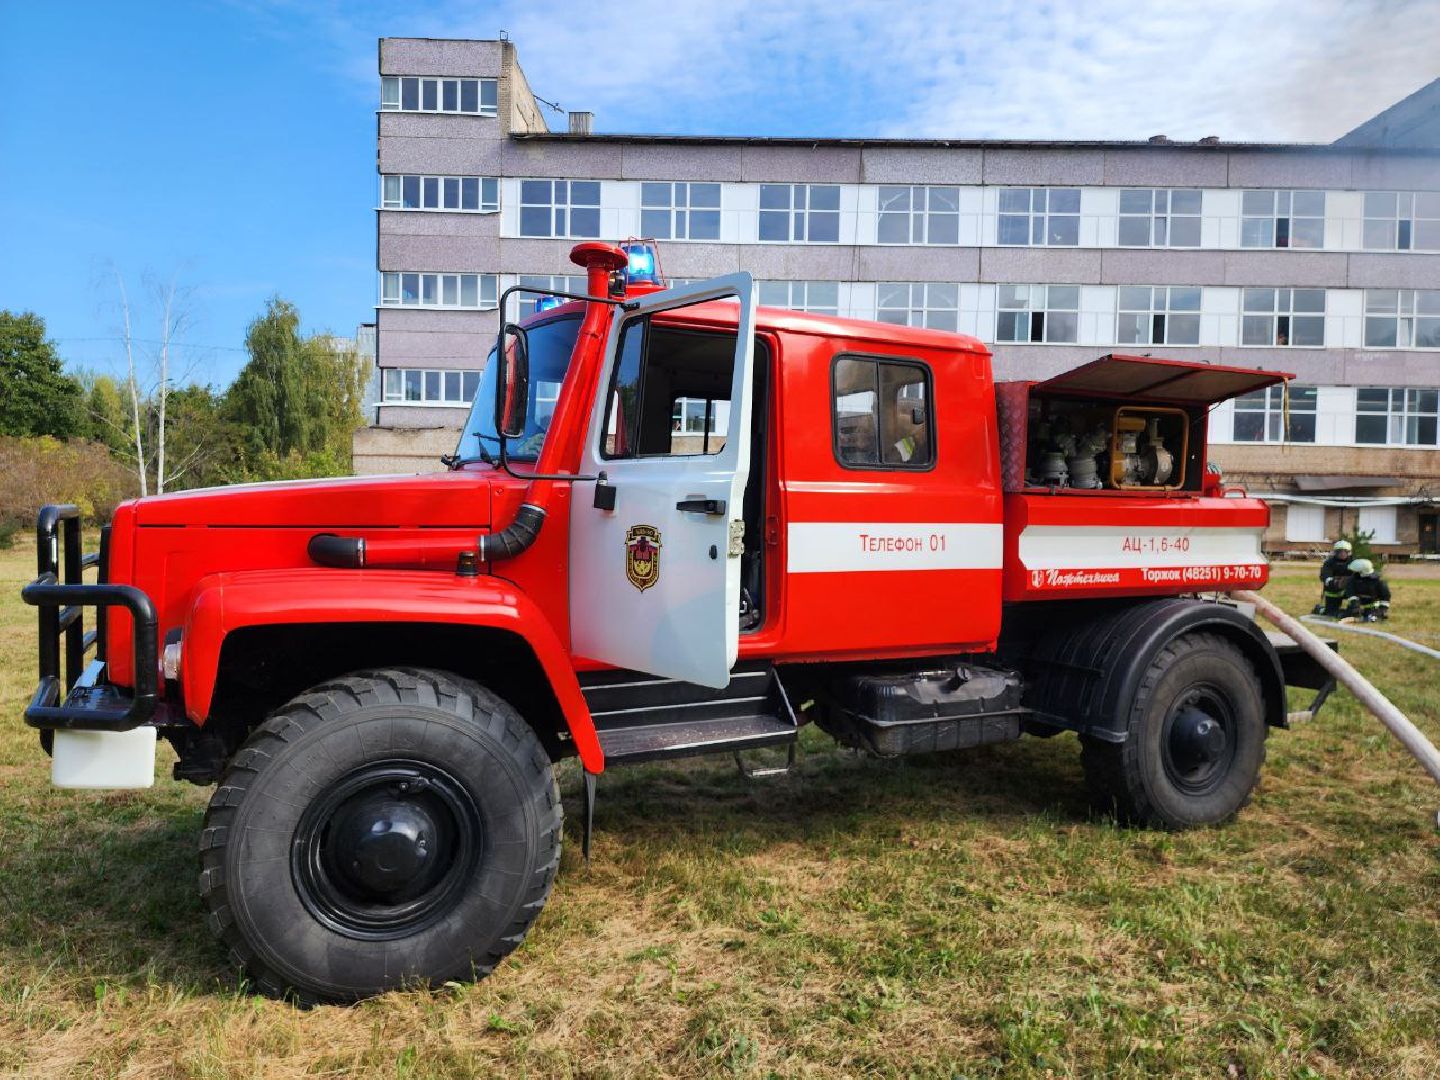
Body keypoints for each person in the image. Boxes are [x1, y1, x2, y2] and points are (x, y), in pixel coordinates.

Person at [1341, 558, 1391, 622]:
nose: (1353, 573)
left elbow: (1385, 597)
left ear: (1362, 572)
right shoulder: (1352, 580)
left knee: (1372, 619)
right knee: (1344, 616)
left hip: (1372, 609)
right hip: (1355, 608)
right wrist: (1355, 606)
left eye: (1356, 571)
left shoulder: (1378, 582)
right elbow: (1350, 593)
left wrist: (1382, 610)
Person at [1314, 539, 1353, 616]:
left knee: (1355, 608)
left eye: (1345, 551)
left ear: (1349, 552)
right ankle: (1320, 610)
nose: (1342, 554)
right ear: (1335, 552)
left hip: (1350, 589)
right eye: (1340, 551)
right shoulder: (1329, 563)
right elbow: (1325, 576)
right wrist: (1335, 582)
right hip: (1333, 591)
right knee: (1331, 613)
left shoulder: (1353, 562)